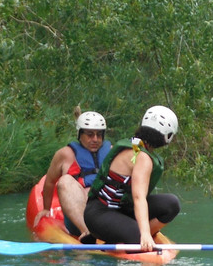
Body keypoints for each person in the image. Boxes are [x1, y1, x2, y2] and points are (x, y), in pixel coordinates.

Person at [84, 105, 181, 251]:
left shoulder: (136, 146)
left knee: (171, 204)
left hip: (122, 209)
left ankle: (125, 236)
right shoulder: (142, 157)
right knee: (137, 237)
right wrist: (144, 234)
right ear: (167, 136)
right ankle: (134, 239)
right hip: (99, 213)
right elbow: (138, 197)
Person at [35, 111, 112, 241]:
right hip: (78, 218)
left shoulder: (111, 151)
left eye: (99, 135)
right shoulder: (65, 154)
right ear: (79, 134)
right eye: (89, 134)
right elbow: (49, 182)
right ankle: (87, 232)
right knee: (65, 181)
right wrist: (46, 209)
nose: (95, 139)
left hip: (108, 213)